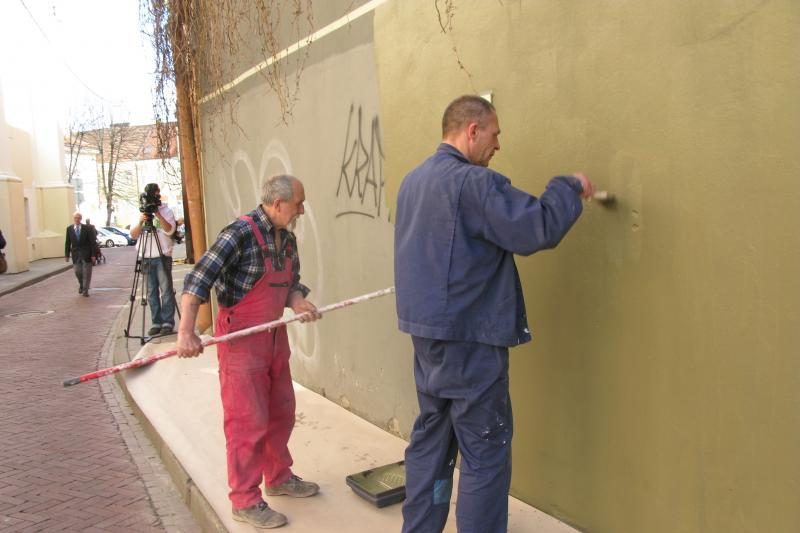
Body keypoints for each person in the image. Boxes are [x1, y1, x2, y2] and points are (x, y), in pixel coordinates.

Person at [394, 95, 595, 533]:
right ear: (472, 130)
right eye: (495, 133)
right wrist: (568, 188)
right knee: (485, 450)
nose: (498, 144)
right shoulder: (474, 184)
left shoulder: (413, 181)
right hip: (470, 342)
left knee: (433, 442)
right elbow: (534, 227)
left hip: (429, 341)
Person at [177, 174, 322, 529]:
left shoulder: (287, 239)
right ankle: (244, 499)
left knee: (281, 410)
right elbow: (198, 280)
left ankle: (278, 477)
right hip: (240, 340)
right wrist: (186, 332)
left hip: (273, 335)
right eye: (297, 204)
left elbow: (291, 284)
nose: (302, 210)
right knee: (247, 421)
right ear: (276, 204)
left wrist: (299, 301)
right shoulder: (238, 234)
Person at [130, 183, 177, 336]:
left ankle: (167, 322)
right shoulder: (140, 212)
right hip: (146, 256)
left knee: (166, 291)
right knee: (151, 292)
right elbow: (134, 235)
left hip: (162, 255)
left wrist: (158, 214)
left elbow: (170, 230)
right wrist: (141, 221)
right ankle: (156, 322)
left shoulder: (166, 211)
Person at [64, 212, 96, 297]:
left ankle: (85, 290)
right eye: (75, 218)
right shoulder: (69, 229)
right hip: (75, 254)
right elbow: (67, 242)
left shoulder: (87, 228)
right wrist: (67, 255)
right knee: (77, 272)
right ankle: (82, 285)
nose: (77, 219)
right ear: (73, 219)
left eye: (78, 218)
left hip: (86, 254)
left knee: (87, 273)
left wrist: (93, 255)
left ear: (81, 219)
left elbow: (93, 242)